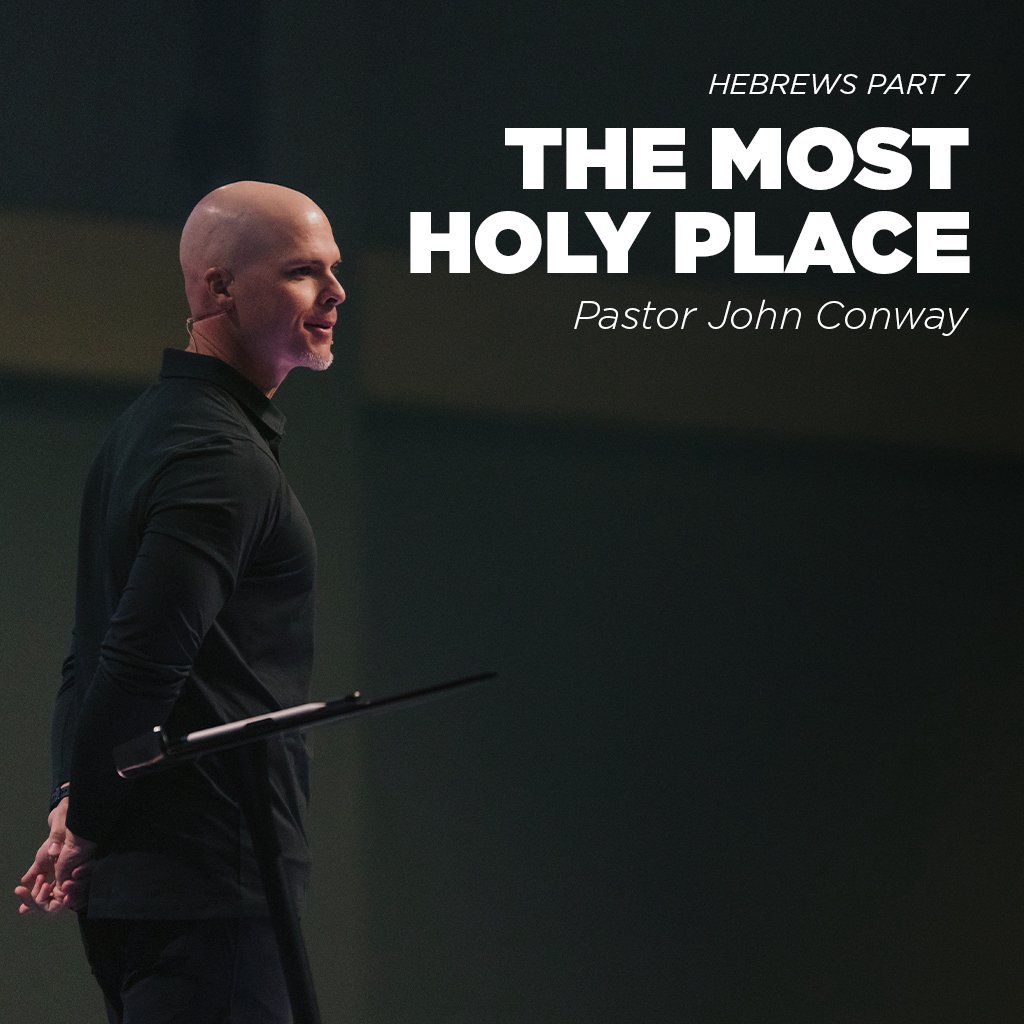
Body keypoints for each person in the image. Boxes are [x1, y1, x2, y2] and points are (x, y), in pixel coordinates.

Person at [14, 180, 345, 1022]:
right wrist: (86, 820)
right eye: (304, 271)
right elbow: (134, 661)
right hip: (207, 883)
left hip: (157, 883)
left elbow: (90, 655)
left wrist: (73, 803)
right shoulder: (215, 454)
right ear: (218, 287)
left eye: (333, 269)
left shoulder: (150, 428)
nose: (336, 293)